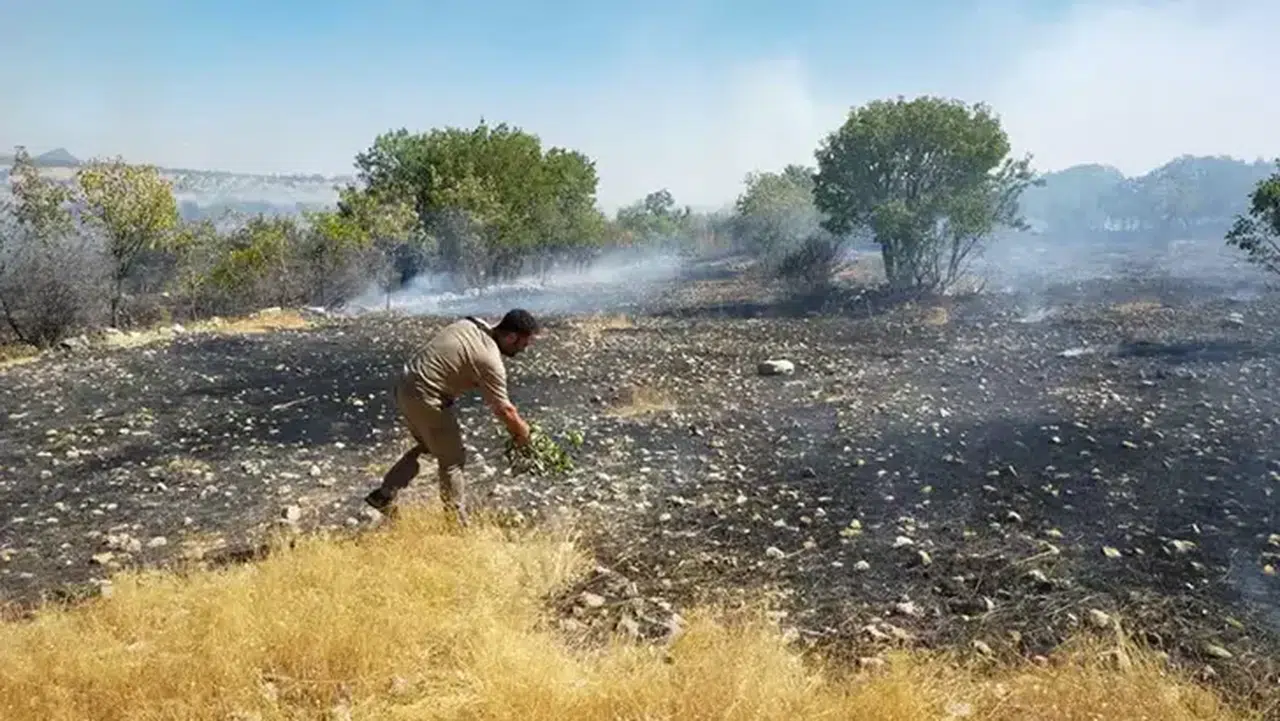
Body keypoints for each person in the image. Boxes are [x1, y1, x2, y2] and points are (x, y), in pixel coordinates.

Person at [364, 308, 539, 526]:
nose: (523, 350)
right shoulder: (489, 358)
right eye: (523, 344)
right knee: (453, 460)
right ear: (511, 336)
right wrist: (523, 435)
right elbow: (505, 410)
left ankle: (384, 494)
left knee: (430, 446)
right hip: (427, 396)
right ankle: (456, 523)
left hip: (404, 387)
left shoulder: (472, 324)